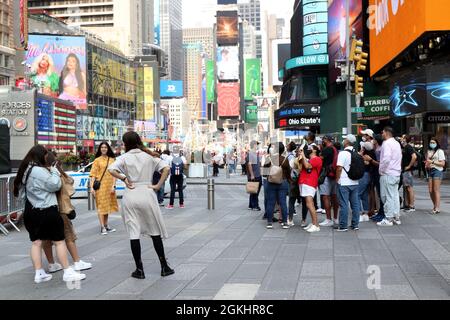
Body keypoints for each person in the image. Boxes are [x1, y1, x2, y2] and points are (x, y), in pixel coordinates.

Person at [13, 146, 86, 283]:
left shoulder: (25, 170)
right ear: (41, 155)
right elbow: (55, 185)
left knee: (36, 243)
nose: (47, 156)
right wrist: (53, 171)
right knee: (59, 241)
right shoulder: (39, 171)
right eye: (46, 154)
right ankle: (67, 272)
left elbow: (21, 193)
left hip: (31, 211)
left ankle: (39, 273)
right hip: (47, 210)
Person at [108, 132, 174, 279]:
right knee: (155, 231)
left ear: (125, 143)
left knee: (133, 233)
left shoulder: (124, 157)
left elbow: (111, 169)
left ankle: (139, 269)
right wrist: (157, 185)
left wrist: (124, 178)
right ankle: (164, 266)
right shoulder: (149, 156)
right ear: (138, 140)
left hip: (130, 193)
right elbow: (166, 169)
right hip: (147, 192)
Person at [42, 152, 92, 273]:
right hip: (61, 209)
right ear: (54, 162)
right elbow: (69, 182)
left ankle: (51, 264)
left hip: (44, 210)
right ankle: (76, 261)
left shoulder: (41, 174)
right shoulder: (55, 175)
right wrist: (59, 170)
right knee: (69, 235)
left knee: (46, 238)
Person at [90, 142, 118, 235]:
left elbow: (115, 174)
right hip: (100, 187)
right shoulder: (97, 160)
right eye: (102, 147)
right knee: (101, 206)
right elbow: (93, 175)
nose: (103, 149)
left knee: (107, 206)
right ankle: (102, 227)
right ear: (100, 149)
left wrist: (113, 185)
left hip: (109, 187)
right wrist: (92, 188)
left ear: (108, 148)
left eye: (105, 147)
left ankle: (106, 225)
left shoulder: (112, 160)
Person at [334, 134, 361, 232]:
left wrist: (337, 179)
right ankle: (355, 224)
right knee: (355, 204)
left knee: (344, 204)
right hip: (355, 182)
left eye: (345, 139)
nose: (343, 140)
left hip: (344, 182)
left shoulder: (343, 153)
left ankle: (343, 225)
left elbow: (339, 168)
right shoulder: (356, 152)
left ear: (347, 141)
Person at [377, 127, 402, 227]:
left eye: (382, 132)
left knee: (387, 196)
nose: (381, 134)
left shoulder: (386, 143)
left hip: (388, 173)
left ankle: (388, 218)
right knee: (394, 196)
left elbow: (386, 159)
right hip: (396, 173)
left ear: (387, 133)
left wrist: (381, 170)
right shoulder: (396, 143)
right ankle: (396, 217)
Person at [265, 142, 291, 229]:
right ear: (283, 150)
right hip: (282, 182)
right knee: (283, 202)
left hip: (271, 182)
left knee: (270, 202)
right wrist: (290, 180)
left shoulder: (269, 158)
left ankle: (269, 222)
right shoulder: (285, 159)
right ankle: (284, 222)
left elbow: (264, 171)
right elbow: (288, 173)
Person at [299, 145, 323, 233]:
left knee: (310, 204)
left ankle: (316, 225)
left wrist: (304, 156)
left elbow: (308, 166)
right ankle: (313, 223)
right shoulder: (310, 159)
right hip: (305, 182)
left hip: (309, 183)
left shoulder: (317, 159)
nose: (308, 149)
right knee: (308, 204)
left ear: (315, 150)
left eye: (311, 148)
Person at [318, 135, 339, 227]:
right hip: (334, 175)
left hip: (326, 175)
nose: (322, 141)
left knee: (326, 197)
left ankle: (328, 219)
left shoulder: (326, 149)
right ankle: (335, 218)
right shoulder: (335, 149)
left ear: (326, 140)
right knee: (334, 197)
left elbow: (319, 160)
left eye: (323, 140)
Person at [358, 129, 377, 222]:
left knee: (357, 193)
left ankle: (360, 213)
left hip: (365, 173)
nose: (364, 136)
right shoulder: (369, 145)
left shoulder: (367, 145)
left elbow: (366, 161)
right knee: (365, 194)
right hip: (369, 173)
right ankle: (365, 212)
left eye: (365, 135)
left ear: (369, 136)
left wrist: (361, 154)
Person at [425, 137, 446, 214]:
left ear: (437, 143)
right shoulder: (429, 151)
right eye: (431, 142)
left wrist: (432, 162)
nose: (432, 144)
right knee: (430, 190)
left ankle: (437, 207)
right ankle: (435, 205)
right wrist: (427, 164)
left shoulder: (440, 151)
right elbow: (428, 161)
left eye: (433, 142)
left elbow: (442, 164)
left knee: (436, 190)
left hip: (437, 170)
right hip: (430, 171)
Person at [401, 135, 418, 213]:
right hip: (405, 171)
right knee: (407, 188)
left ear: (405, 139)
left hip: (407, 171)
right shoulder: (405, 147)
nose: (401, 138)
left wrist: (409, 166)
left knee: (409, 188)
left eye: (403, 137)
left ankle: (411, 206)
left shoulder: (408, 147)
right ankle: (408, 205)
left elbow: (414, 156)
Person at [287, 142, 300, 226]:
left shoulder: (291, 157)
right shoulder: (293, 156)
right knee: (292, 199)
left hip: (294, 180)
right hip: (296, 179)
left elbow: (291, 169)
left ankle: (291, 219)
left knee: (291, 200)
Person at [247, 141, 262, 211]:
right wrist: (252, 175)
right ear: (253, 145)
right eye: (257, 144)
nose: (258, 146)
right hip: (255, 176)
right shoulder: (251, 153)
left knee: (253, 190)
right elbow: (249, 164)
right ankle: (255, 206)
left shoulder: (255, 153)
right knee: (255, 191)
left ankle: (250, 205)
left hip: (257, 174)